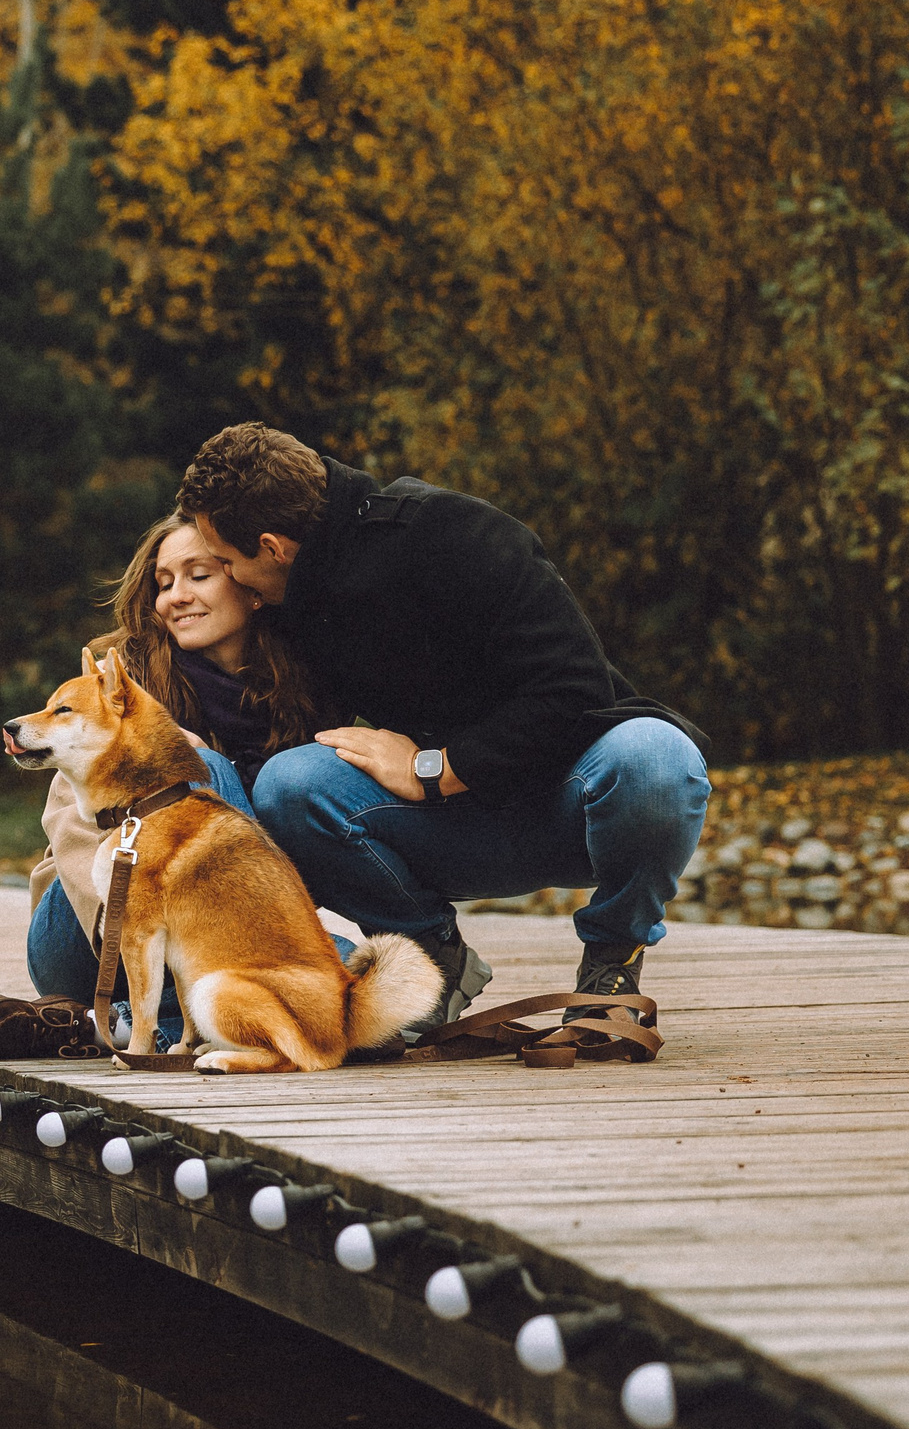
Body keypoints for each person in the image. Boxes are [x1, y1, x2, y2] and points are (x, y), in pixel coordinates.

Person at [173, 422, 711, 1038]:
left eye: (224, 563)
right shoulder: (293, 602)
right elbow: (254, 713)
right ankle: (434, 959)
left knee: (657, 753)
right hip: (452, 830)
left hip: (575, 801)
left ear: (272, 547)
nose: (229, 578)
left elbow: (575, 689)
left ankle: (612, 969)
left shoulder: (452, 533)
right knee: (290, 785)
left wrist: (436, 769)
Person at [23, 513, 334, 1048]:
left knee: (325, 968)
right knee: (200, 771)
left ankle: (107, 1025)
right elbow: (68, 828)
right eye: (164, 583)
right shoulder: (119, 685)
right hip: (88, 930)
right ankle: (162, 1027)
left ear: (251, 583)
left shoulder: (307, 691)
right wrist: (139, 922)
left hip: (214, 945)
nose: (175, 596)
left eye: (198, 575)